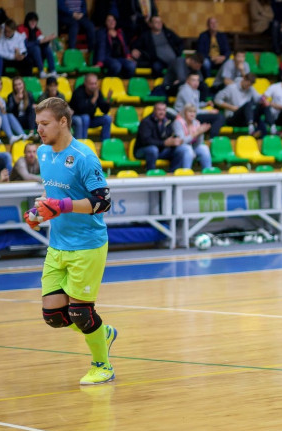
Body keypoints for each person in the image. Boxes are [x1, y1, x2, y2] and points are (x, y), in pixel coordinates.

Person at [24, 97, 117, 385]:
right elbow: (51, 197)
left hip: (87, 245)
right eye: (37, 124)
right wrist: (39, 212)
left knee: (81, 312)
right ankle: (104, 333)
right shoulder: (42, 153)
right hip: (58, 245)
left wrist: (62, 206)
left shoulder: (84, 156)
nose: (39, 129)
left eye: (45, 123)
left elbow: (103, 202)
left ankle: (103, 366)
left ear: (63, 122)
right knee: (54, 315)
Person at [134, 102, 190, 171]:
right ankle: (151, 175)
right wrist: (164, 143)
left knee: (180, 150)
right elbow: (146, 141)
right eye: (159, 110)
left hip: (161, 150)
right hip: (142, 150)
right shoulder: (146, 122)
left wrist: (175, 140)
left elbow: (170, 135)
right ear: (154, 110)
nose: (162, 112)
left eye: (163, 110)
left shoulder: (167, 121)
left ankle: (172, 175)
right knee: (153, 150)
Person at [173, 73, 224, 139]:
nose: (196, 83)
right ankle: (212, 139)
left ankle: (211, 137)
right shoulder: (185, 90)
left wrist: (205, 104)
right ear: (187, 81)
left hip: (191, 114)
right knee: (219, 117)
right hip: (185, 116)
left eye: (197, 80)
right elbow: (193, 109)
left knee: (218, 117)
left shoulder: (194, 90)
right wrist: (208, 111)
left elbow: (194, 105)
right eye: (193, 80)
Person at [70, 73, 112, 141]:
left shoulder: (97, 92)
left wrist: (107, 101)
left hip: (90, 120)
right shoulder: (78, 92)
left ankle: (105, 144)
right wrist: (94, 99)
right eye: (91, 84)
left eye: (95, 83)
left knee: (107, 119)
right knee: (85, 117)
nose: (94, 86)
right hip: (77, 119)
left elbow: (104, 110)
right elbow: (81, 110)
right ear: (85, 83)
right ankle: (84, 143)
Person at [94, 14, 136, 78]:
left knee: (131, 65)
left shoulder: (120, 32)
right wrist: (99, 62)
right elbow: (101, 48)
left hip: (119, 58)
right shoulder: (102, 32)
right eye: (109, 20)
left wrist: (128, 56)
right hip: (107, 57)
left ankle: (122, 81)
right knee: (116, 65)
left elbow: (124, 46)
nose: (112, 22)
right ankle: (107, 79)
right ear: (105, 22)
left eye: (113, 20)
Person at [18, 12, 58, 79]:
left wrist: (48, 40)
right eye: (31, 21)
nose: (33, 23)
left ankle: (53, 71)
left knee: (47, 48)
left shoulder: (37, 30)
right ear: (27, 21)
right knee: (35, 48)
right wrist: (40, 41)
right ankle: (41, 71)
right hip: (25, 54)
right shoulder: (21, 28)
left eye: (35, 21)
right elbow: (25, 44)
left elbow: (42, 41)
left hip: (38, 55)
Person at [172, 104, 212, 171]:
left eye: (194, 112)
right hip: (179, 148)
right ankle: (186, 173)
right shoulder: (178, 122)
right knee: (188, 149)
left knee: (204, 148)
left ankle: (208, 172)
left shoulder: (196, 123)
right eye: (190, 112)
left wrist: (201, 133)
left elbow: (199, 143)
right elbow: (181, 141)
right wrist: (196, 133)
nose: (192, 114)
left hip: (193, 146)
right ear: (185, 112)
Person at [0, 77, 30, 144]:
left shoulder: (1, 100)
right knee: (2, 115)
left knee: (9, 114)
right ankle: (11, 137)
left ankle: (22, 135)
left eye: (0, 84)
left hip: (1, 123)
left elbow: (5, 111)